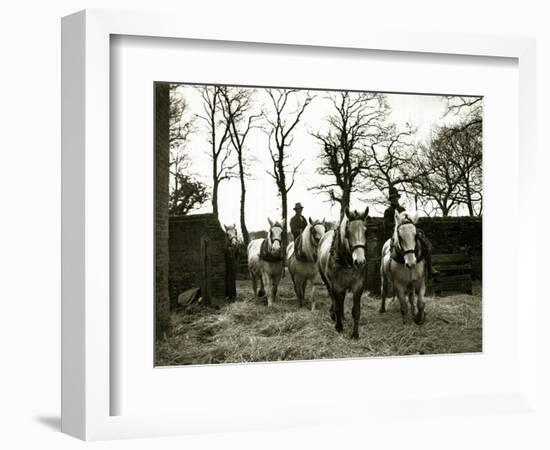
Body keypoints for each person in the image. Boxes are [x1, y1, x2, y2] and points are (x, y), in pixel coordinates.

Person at [383, 186, 439, 278]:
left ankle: (429, 267)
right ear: (390, 199)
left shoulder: (403, 210)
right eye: (393, 198)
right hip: (395, 234)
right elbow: (386, 226)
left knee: (421, 239)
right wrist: (397, 227)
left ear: (398, 198)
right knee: (390, 250)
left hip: (406, 232)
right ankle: (389, 270)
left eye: (396, 197)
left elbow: (408, 221)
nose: (395, 199)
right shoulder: (388, 211)